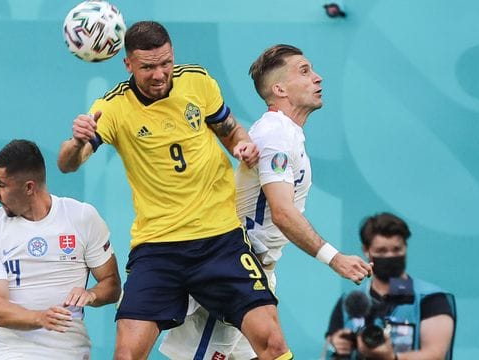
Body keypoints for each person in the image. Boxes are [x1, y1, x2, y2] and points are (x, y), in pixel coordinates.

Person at [58, 21, 302, 360]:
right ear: (128, 64)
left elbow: (230, 131)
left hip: (220, 240)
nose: (160, 74)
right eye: (148, 67)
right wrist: (77, 140)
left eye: (165, 63)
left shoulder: (197, 81)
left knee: (273, 344)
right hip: (158, 247)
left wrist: (242, 145)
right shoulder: (112, 107)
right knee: (126, 353)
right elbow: (68, 163)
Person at [160, 44, 374, 360]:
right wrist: (334, 258)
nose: (317, 77)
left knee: (273, 352)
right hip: (230, 273)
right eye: (304, 71)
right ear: (279, 89)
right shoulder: (275, 135)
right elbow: (283, 212)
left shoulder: (287, 133)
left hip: (256, 274)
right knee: (273, 350)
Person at [0, 139, 121, 360]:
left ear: (29, 187)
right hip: (13, 352)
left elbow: (112, 284)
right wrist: (41, 318)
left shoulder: (82, 217)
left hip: (70, 350)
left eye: (1, 185)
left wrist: (91, 294)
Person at [324, 212, 456, 360]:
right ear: (366, 250)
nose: (390, 256)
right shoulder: (350, 302)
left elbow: (435, 355)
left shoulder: (430, 299)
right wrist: (336, 347)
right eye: (382, 251)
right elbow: (326, 354)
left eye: (396, 249)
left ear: (405, 247)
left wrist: (392, 358)